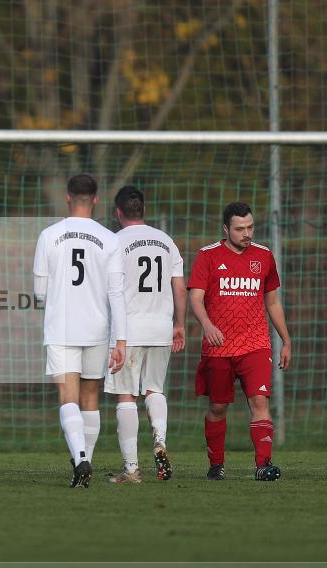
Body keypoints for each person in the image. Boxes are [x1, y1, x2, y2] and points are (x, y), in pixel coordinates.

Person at [32, 174, 126, 488]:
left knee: (67, 396)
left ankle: (80, 458)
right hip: (97, 328)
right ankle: (84, 462)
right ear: (96, 199)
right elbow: (116, 293)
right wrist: (121, 339)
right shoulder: (109, 239)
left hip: (61, 327)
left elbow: (40, 292)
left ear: (67, 197)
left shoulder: (49, 235)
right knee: (90, 396)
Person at [188, 202, 291, 481]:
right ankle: (216, 464)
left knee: (259, 402)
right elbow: (195, 298)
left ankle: (263, 465)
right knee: (217, 407)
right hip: (219, 347)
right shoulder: (207, 256)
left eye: (250, 227)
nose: (247, 234)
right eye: (240, 229)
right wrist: (207, 325)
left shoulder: (264, 256)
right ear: (226, 229)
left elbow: (272, 302)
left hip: (255, 344)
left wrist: (286, 340)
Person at [103, 186, 186, 484]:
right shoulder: (166, 241)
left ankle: (131, 469)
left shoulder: (114, 242)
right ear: (144, 211)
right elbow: (179, 286)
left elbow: (109, 289)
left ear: (118, 212)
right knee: (155, 390)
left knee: (126, 395)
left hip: (128, 330)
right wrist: (179, 323)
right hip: (161, 327)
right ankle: (159, 440)